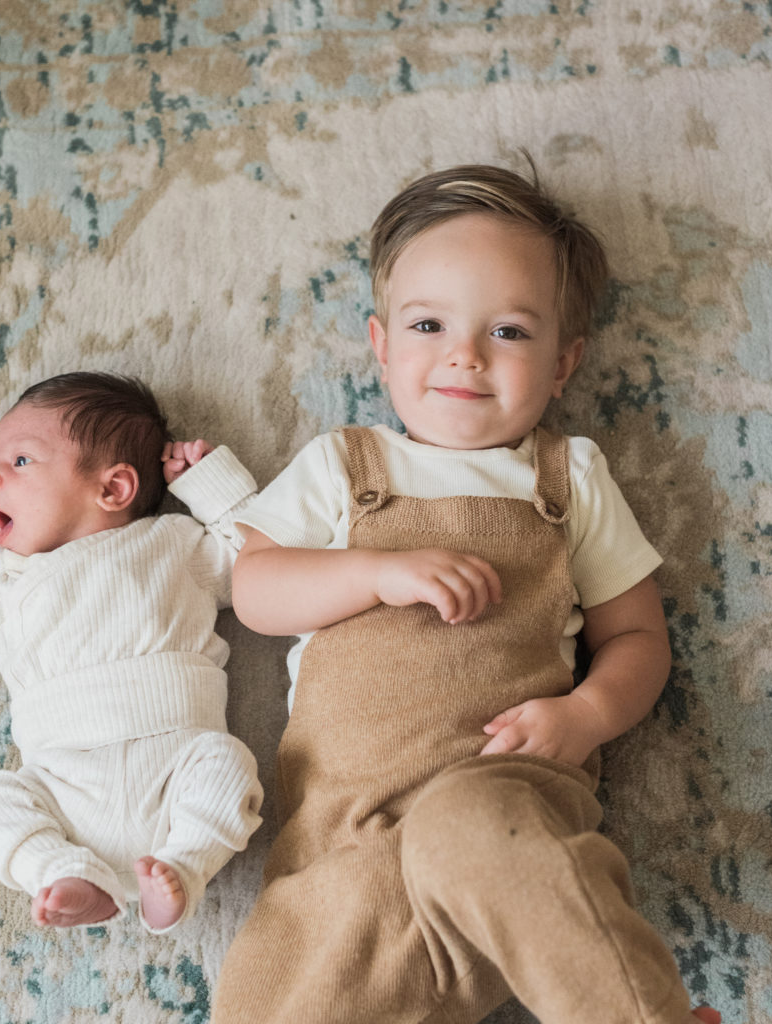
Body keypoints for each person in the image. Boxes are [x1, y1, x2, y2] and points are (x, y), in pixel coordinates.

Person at [211, 165, 721, 1023]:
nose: (465, 354)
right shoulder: (345, 465)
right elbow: (255, 588)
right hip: (344, 844)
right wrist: (375, 571)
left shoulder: (568, 476)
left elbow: (637, 635)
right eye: (428, 324)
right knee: (259, 996)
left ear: (564, 364)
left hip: (504, 805)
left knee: (473, 823)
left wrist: (588, 715)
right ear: (380, 344)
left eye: (510, 331)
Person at [0, 371, 263, 933]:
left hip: (176, 766)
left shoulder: (175, 544)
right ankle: (64, 872)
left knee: (229, 766)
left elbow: (259, 557)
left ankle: (181, 868)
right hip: (62, 785)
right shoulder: (3, 578)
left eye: (20, 462)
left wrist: (209, 481)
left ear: (114, 489)